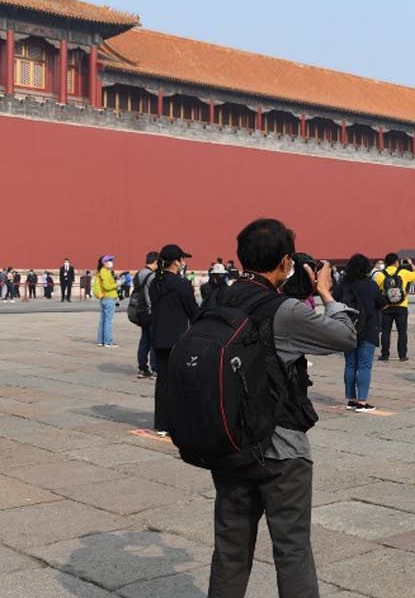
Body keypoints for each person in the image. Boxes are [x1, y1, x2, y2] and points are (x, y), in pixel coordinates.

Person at [203, 219, 355, 597]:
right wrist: (326, 294)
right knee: (292, 551)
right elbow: (345, 336)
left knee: (230, 551)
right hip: (281, 449)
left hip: (229, 444)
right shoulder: (284, 311)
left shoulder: (216, 300)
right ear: (286, 261)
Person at [149, 244, 198, 437]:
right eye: (182, 259)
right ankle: (175, 422)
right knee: (178, 382)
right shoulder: (181, 284)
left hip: (159, 337)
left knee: (163, 381)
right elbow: (193, 311)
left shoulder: (155, 282)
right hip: (177, 339)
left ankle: (161, 424)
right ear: (177, 261)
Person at [334, 254, 385, 411]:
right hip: (368, 328)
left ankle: (352, 399)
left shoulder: (343, 285)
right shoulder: (371, 285)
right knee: (364, 366)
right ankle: (362, 402)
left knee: (350, 364)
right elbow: (381, 303)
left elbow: (334, 300)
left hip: (347, 328)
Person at [373, 253, 415, 362]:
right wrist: (411, 264)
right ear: (396, 262)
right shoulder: (403, 273)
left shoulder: (380, 275)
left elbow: (374, 288)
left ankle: (385, 355)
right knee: (402, 332)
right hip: (401, 306)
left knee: (385, 332)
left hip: (386, 306)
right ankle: (402, 355)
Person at [134, 252, 160, 379]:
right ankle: (155, 368)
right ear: (156, 262)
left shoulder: (139, 273)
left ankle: (142, 368)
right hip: (151, 311)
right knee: (154, 341)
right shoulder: (153, 276)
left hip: (141, 312)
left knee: (144, 340)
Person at [93, 255, 119, 346]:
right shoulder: (105, 272)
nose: (111, 262)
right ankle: (108, 342)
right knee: (108, 321)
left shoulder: (102, 272)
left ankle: (101, 341)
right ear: (104, 263)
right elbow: (107, 286)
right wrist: (117, 284)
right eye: (109, 260)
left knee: (103, 320)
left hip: (104, 298)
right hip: (109, 298)